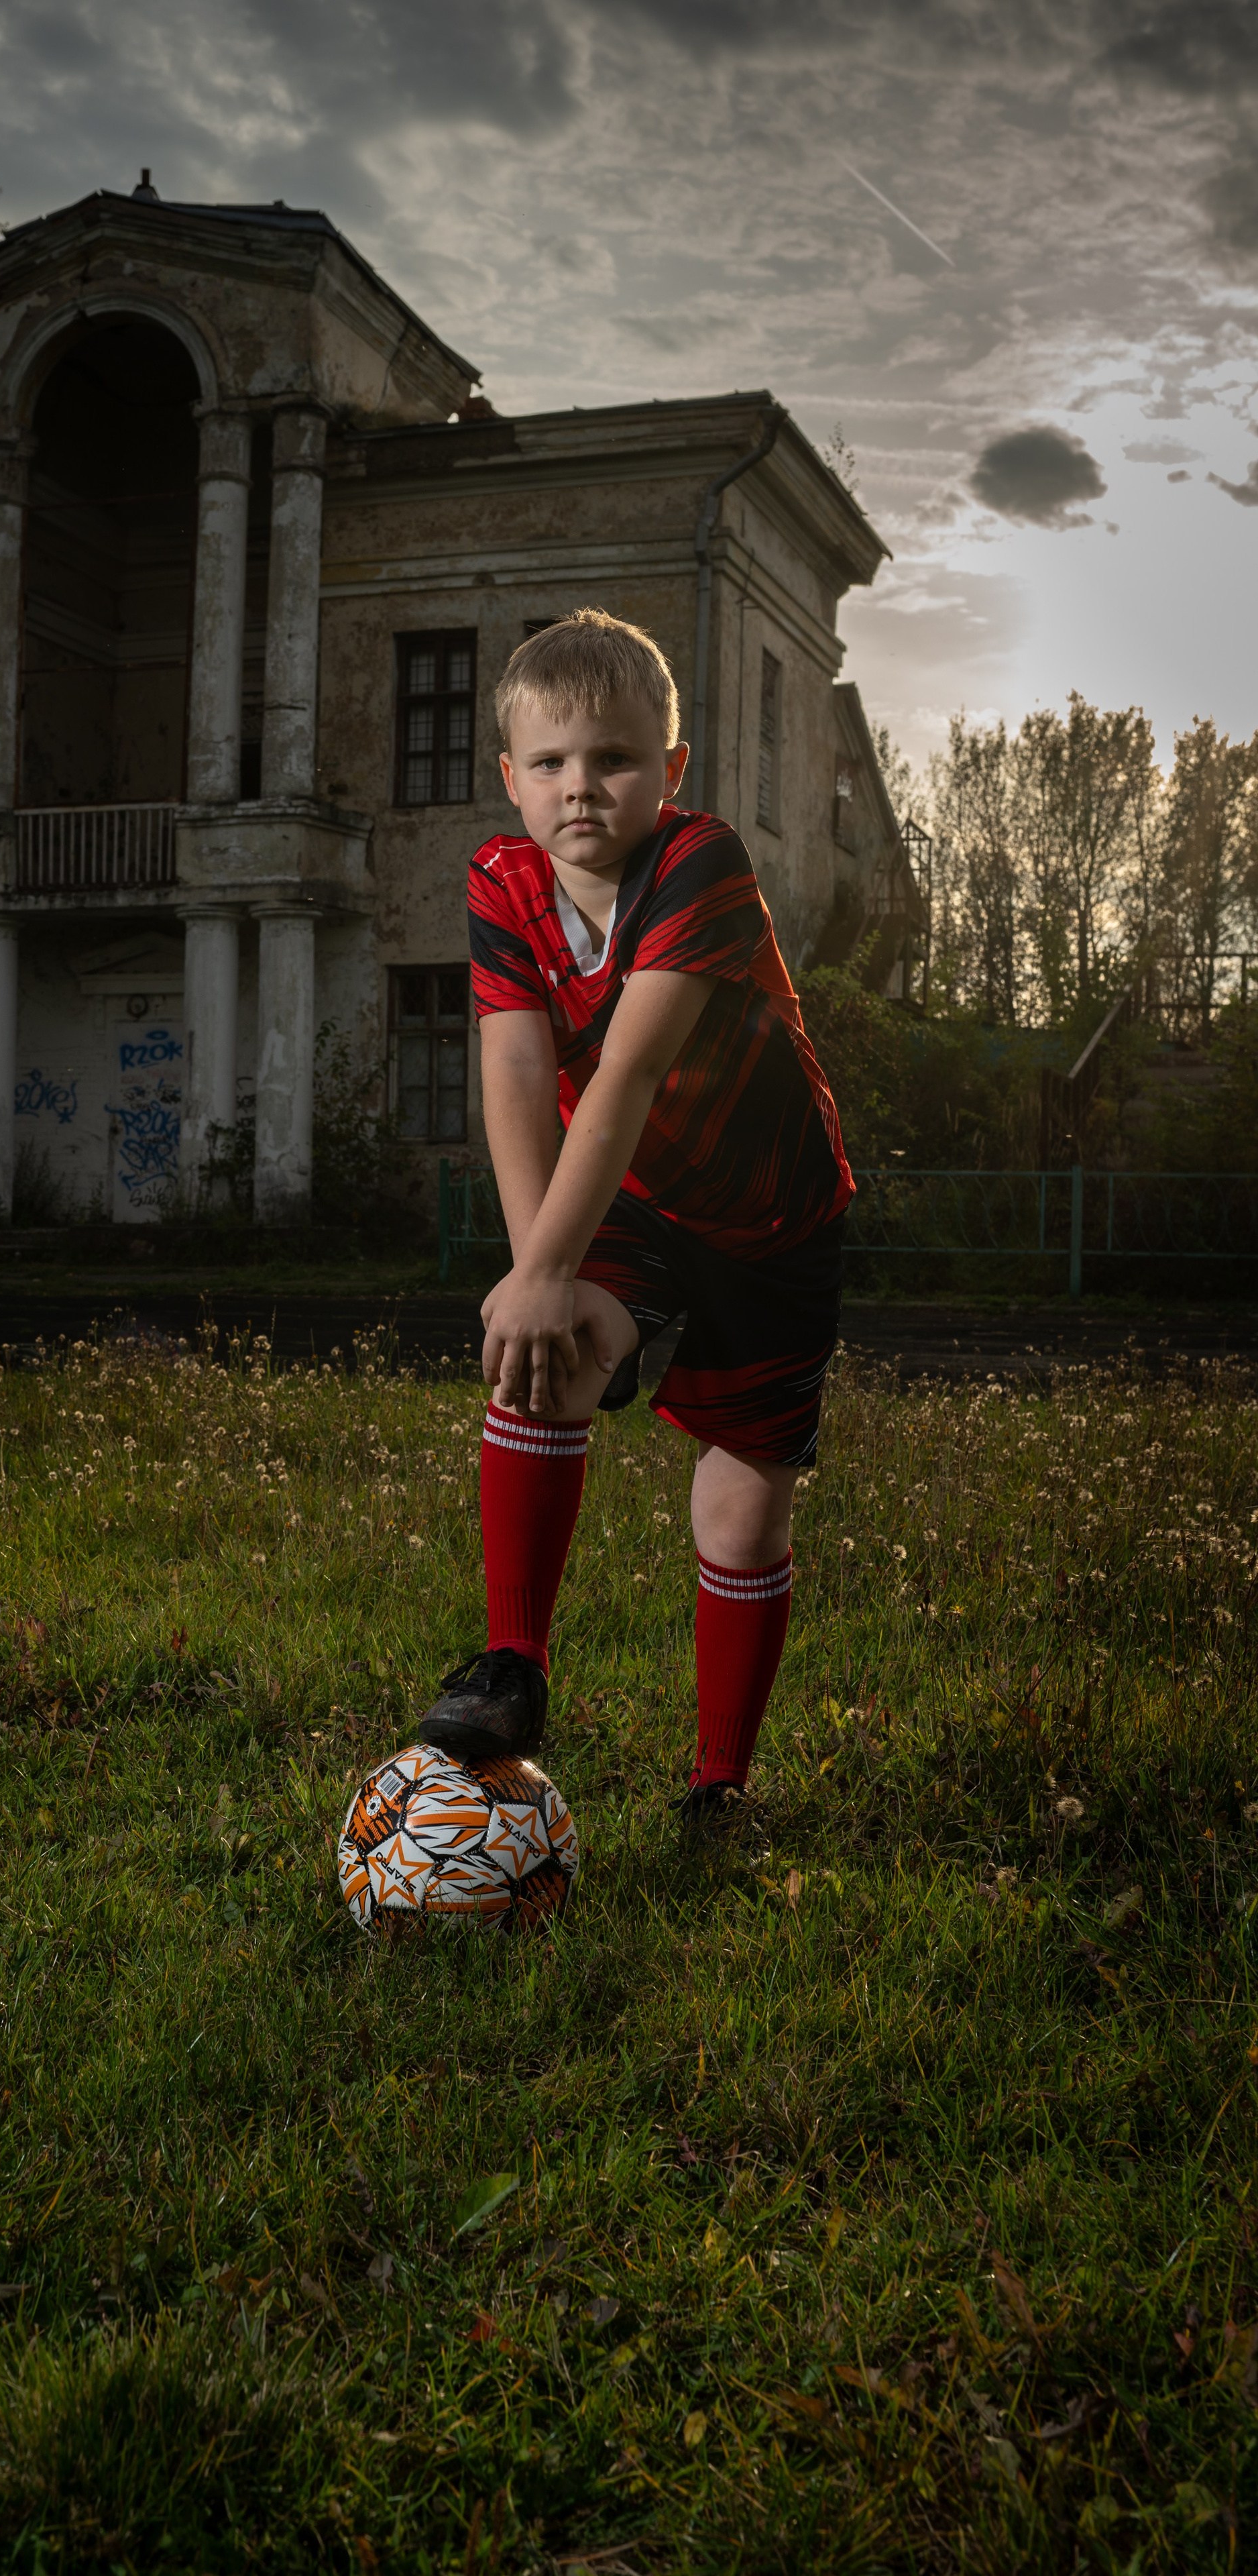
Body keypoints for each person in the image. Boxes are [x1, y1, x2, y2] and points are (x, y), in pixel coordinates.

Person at [414, 608, 853, 1824]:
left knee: (741, 1503)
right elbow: (512, 1075)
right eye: (548, 763)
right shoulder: (502, 883)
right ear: (509, 779)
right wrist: (535, 1271)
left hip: (768, 1215)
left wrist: (549, 1259)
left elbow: (627, 1077)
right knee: (539, 1358)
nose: (580, 788)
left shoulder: (702, 861)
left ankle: (719, 1786)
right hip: (634, 1198)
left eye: (612, 758)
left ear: (671, 769)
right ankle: (513, 1670)